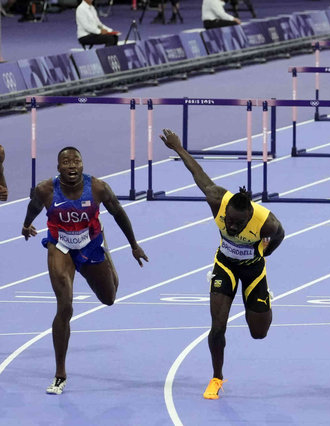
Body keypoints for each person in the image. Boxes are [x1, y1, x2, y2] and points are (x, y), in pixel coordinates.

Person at [159, 129, 285, 400]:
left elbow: (281, 235)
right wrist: (179, 148)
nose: (231, 226)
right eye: (229, 221)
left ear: (249, 216)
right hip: (225, 265)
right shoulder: (217, 199)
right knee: (218, 326)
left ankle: (265, 300)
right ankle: (216, 377)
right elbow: (198, 173)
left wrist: (266, 252)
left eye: (238, 224)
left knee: (258, 334)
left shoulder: (267, 221)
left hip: (253, 269)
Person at [21, 147, 148, 395]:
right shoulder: (45, 189)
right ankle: (60, 374)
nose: (71, 165)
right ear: (58, 168)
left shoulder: (99, 188)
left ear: (82, 165)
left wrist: (134, 245)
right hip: (60, 245)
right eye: (66, 161)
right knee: (65, 306)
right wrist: (26, 225)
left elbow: (119, 213)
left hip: (90, 244)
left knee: (109, 298)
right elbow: (33, 207)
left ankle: (105, 249)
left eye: (76, 161)